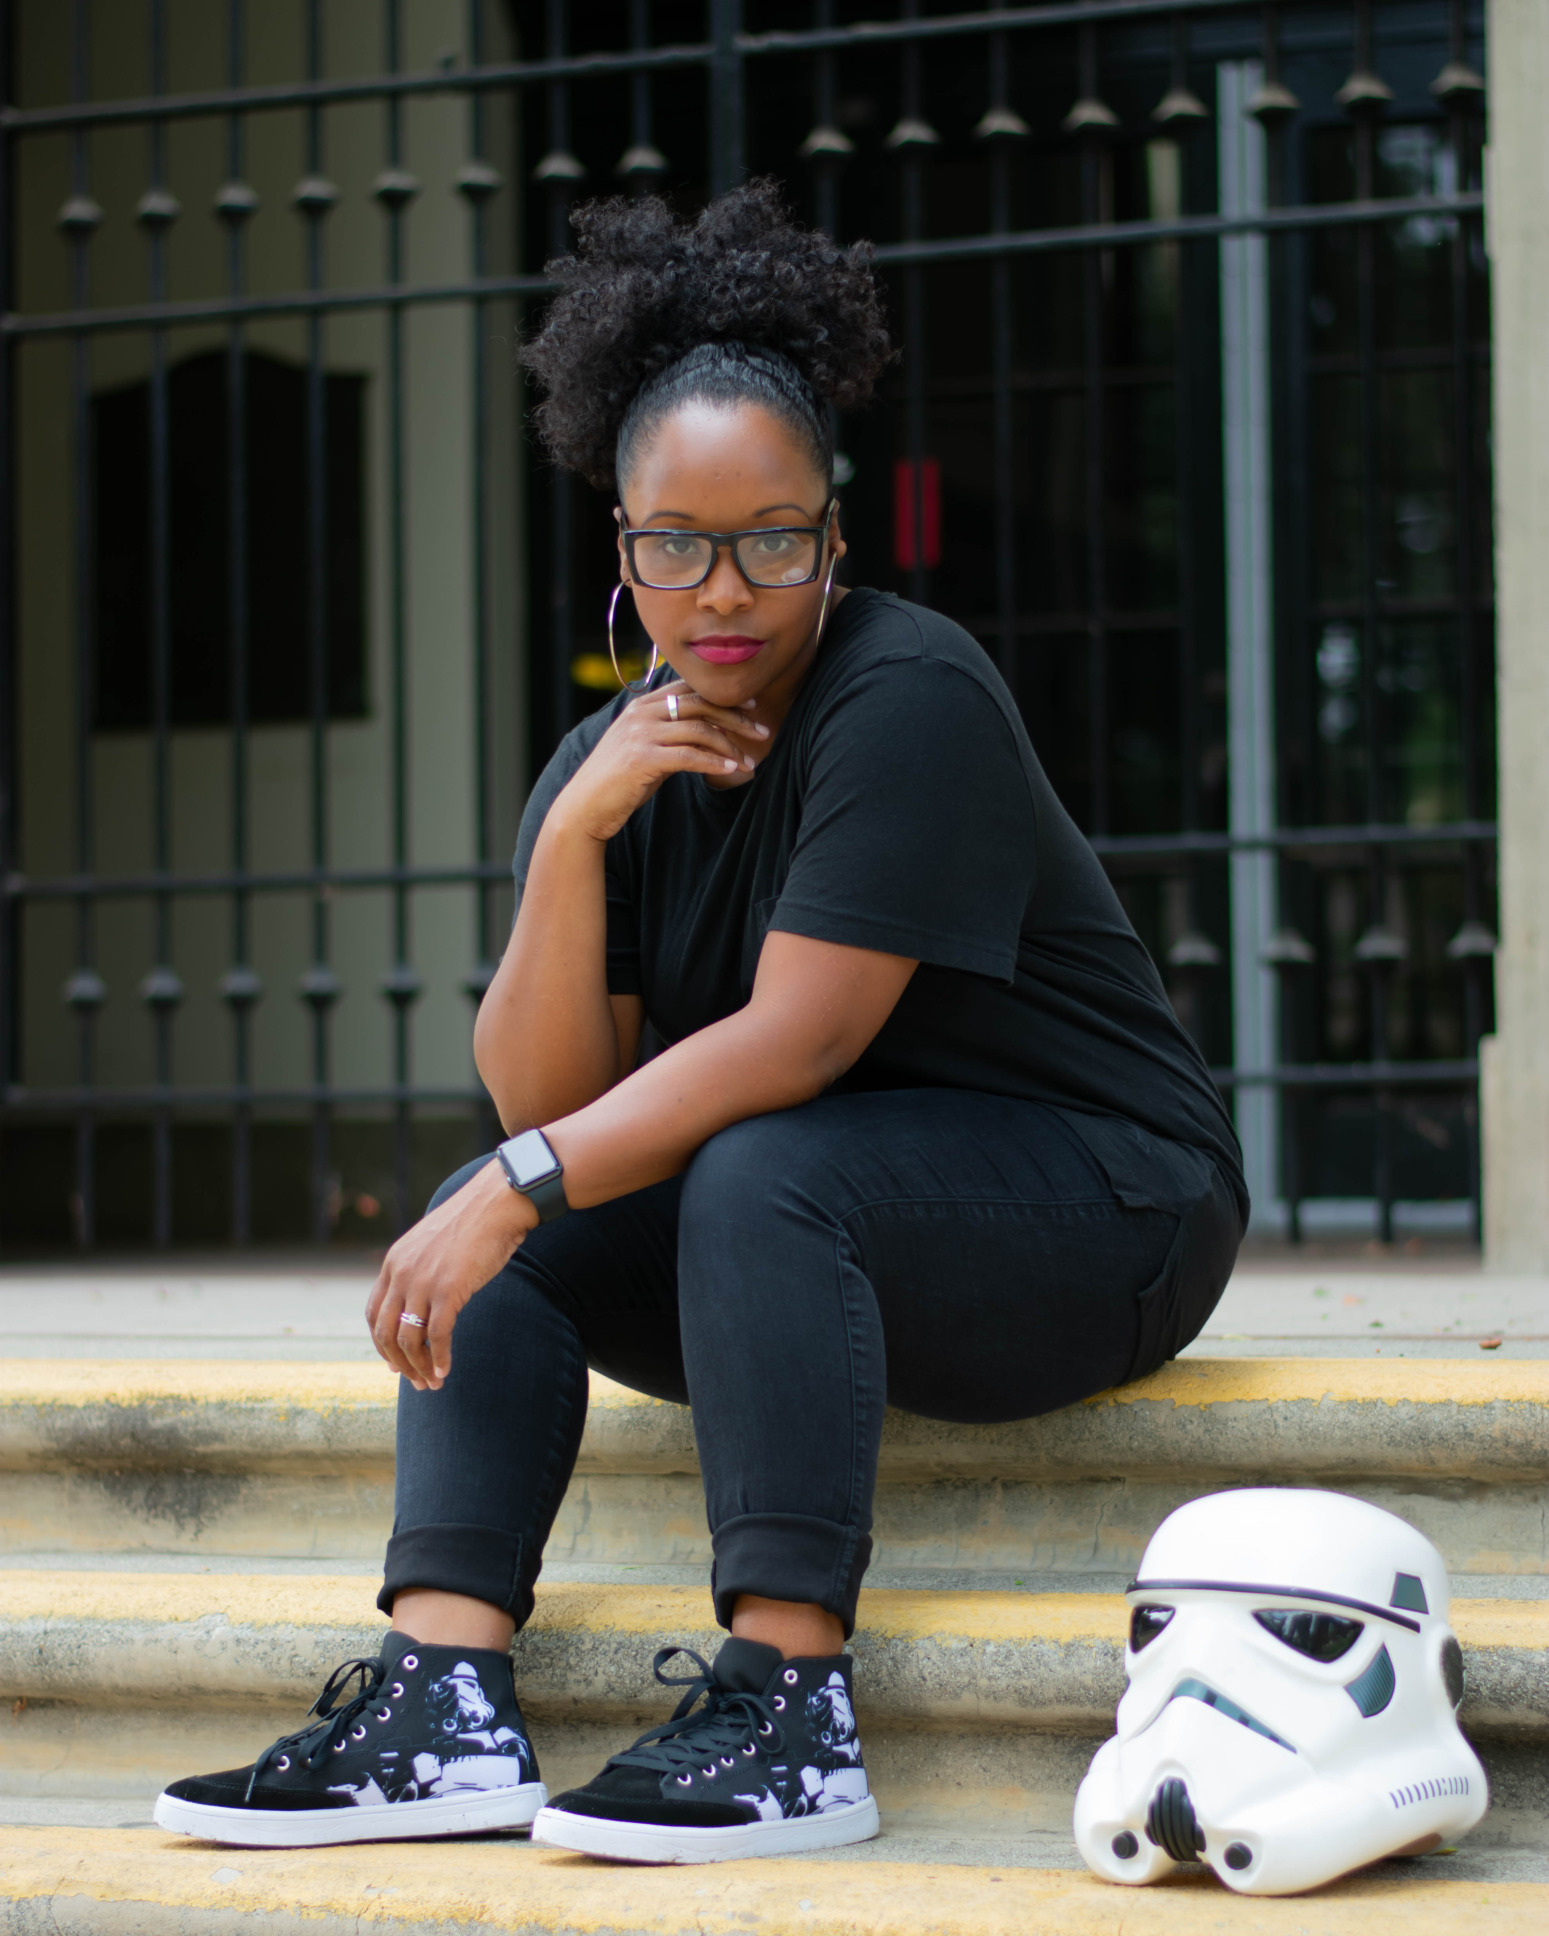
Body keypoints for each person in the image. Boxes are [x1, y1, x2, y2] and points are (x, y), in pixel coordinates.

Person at [155, 183, 1246, 1864]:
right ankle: (444, 1700)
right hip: (833, 1232)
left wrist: (516, 1173)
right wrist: (576, 837)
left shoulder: (908, 693)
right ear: (621, 544)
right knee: (540, 1209)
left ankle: (793, 1708)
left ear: (835, 535)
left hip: (1106, 1208)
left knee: (735, 1163)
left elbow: (797, 1044)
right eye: (676, 543)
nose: (721, 588)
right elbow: (544, 1092)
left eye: (771, 540)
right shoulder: (618, 767)